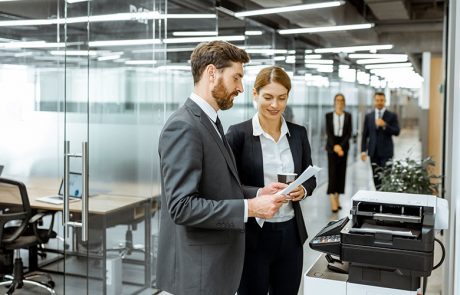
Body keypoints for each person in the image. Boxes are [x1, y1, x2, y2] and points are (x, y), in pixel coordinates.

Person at [156, 41, 289, 295]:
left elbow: (217, 186)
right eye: (236, 77)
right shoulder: (184, 126)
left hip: (215, 270)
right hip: (198, 275)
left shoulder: (211, 121)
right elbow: (182, 207)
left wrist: (258, 194)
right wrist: (249, 208)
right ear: (211, 73)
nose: (240, 87)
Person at [226, 66, 317, 295]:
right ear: (254, 94)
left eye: (281, 98)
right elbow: (228, 186)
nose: (275, 105)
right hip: (253, 236)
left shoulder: (298, 134)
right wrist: (258, 193)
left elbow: (310, 177)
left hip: (291, 235)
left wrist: (303, 191)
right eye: (268, 97)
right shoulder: (238, 135)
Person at [361, 91, 400, 190]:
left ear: (385, 101)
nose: (379, 102)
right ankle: (378, 198)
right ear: (374, 101)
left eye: (381, 100)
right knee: (376, 178)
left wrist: (385, 125)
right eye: (377, 100)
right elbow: (365, 135)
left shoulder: (392, 116)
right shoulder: (369, 116)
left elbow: (397, 131)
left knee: (386, 178)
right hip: (373, 153)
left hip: (387, 153)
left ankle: (385, 199)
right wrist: (363, 151)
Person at [325, 93, 352, 212]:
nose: (339, 103)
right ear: (334, 102)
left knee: (341, 173)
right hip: (331, 146)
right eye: (337, 100)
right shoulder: (328, 116)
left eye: (342, 100)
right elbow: (328, 132)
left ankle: (337, 198)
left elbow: (348, 133)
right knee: (332, 173)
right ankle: (332, 200)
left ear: (344, 103)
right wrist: (335, 146)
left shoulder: (348, 116)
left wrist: (341, 147)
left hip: (344, 147)